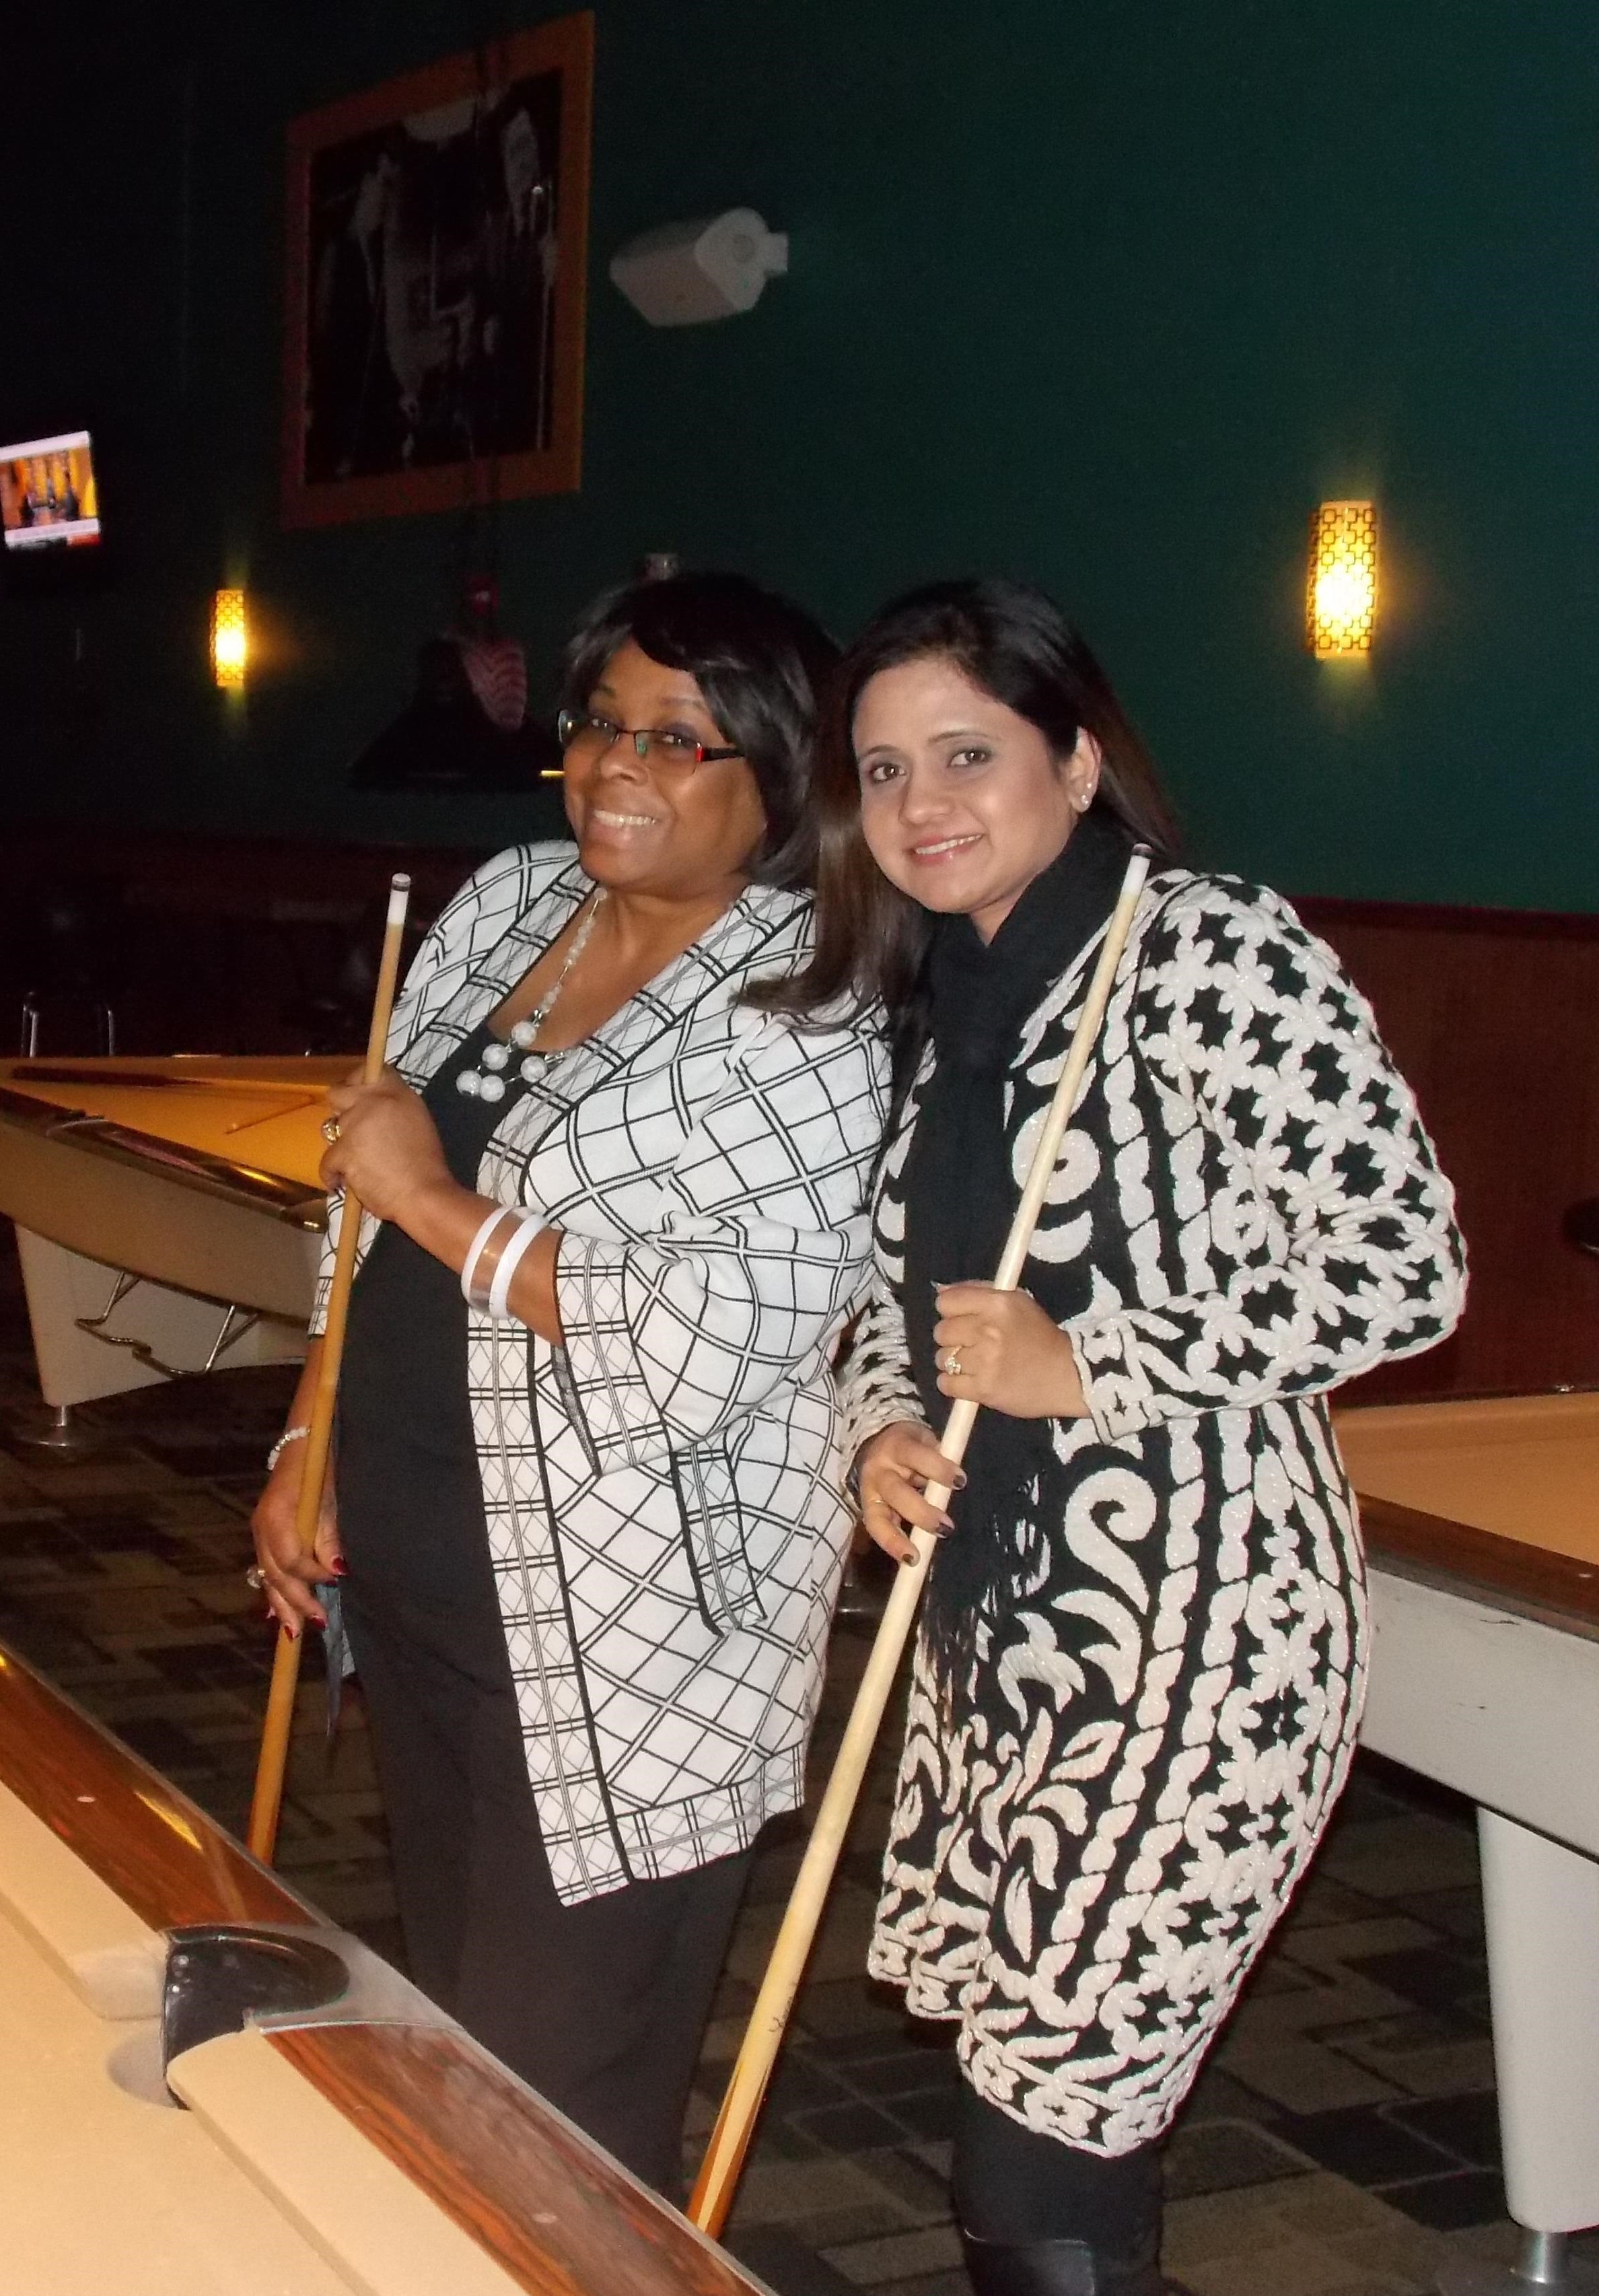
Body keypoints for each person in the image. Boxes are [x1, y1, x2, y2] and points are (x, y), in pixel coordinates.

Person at [765, 580, 1466, 2295]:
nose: (921, 804)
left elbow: (1407, 1261)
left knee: (1038, 2134)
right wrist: (876, 1436)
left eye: (965, 753)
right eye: (881, 769)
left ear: (1075, 761)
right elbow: (889, 1305)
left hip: (1207, 1634)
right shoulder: (944, 1009)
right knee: (1058, 2099)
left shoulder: (1213, 948)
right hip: (1003, 1633)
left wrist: (1099, 1359)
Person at [250, 570, 888, 2198]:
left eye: (678, 738)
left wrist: (436, 1200)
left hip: (629, 1651)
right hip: (419, 1584)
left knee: (559, 2119)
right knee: (453, 2049)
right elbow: (362, 1200)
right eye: (603, 720)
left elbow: (704, 1347)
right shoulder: (506, 897)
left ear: (775, 779)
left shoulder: (806, 1012)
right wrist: (306, 1438)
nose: (619, 763)